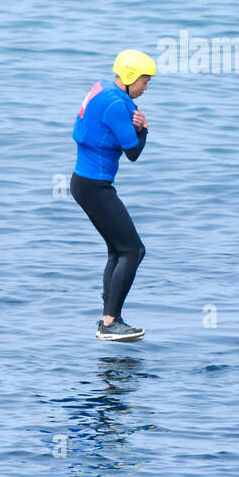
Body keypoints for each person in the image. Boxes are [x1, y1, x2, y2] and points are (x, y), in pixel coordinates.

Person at [71, 50, 155, 341]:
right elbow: (132, 152)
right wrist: (144, 130)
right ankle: (110, 323)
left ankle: (109, 319)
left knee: (118, 250)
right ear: (130, 77)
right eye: (144, 81)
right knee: (133, 250)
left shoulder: (102, 89)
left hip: (85, 183)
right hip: (95, 187)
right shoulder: (118, 105)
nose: (146, 87)